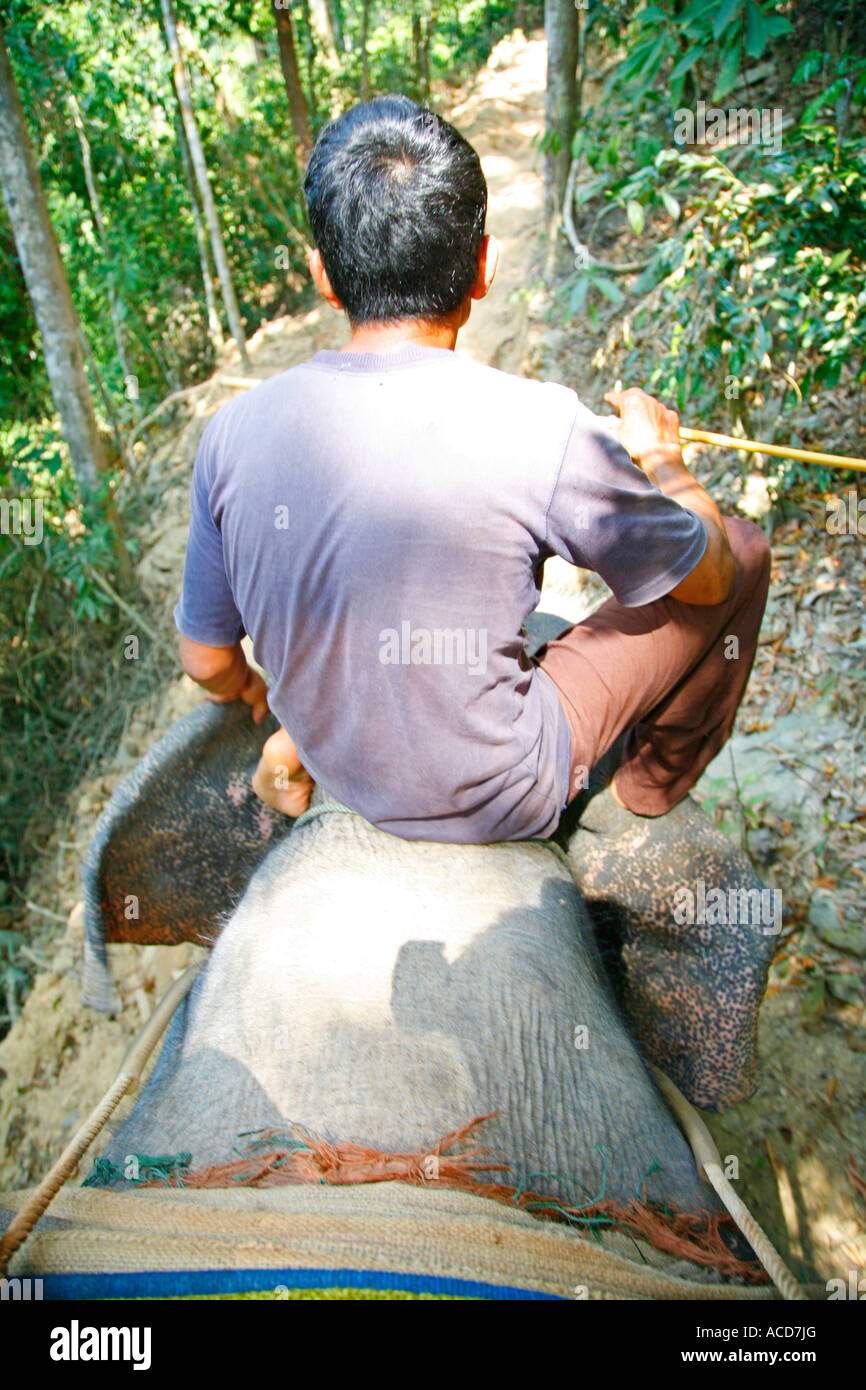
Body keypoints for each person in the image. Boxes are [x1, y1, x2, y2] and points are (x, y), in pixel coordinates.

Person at [174, 95, 770, 843]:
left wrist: (260, 692)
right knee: (741, 547)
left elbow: (205, 658)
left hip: (340, 769)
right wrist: (662, 461)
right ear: (483, 267)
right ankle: (647, 791)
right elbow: (710, 580)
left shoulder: (229, 434)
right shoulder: (543, 426)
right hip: (502, 798)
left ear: (324, 276)